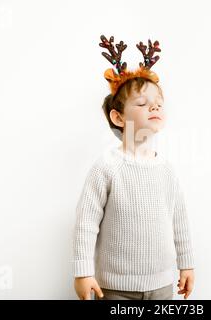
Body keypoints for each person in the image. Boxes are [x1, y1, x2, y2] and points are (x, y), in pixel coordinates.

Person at [73, 35, 195, 300]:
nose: (153, 106)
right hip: (116, 288)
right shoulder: (106, 167)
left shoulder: (167, 169)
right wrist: (83, 272)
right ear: (117, 117)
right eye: (141, 103)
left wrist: (187, 263)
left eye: (158, 104)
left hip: (163, 284)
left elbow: (180, 221)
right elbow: (86, 223)